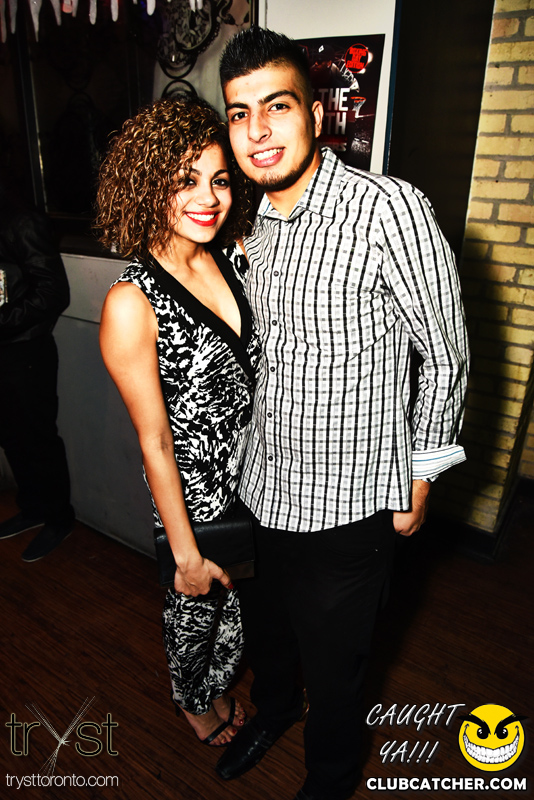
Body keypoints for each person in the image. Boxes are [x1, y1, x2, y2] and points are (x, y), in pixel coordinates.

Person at [214, 27, 469, 800]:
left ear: (316, 114)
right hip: (264, 486)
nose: (257, 130)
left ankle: (328, 777)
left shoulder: (387, 209)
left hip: (351, 502)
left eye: (278, 106)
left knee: (337, 661)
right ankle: (273, 711)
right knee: (271, 634)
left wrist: (421, 476)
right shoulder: (250, 220)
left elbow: (447, 352)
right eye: (239, 113)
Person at [96, 98, 261, 746]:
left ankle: (222, 681)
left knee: (240, 605)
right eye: (186, 180)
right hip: (195, 496)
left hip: (259, 474)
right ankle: (194, 702)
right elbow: (155, 439)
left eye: (220, 179)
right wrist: (185, 551)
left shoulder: (231, 255)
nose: (208, 198)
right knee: (195, 605)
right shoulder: (132, 300)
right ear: (147, 184)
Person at [0, 175, 75, 562]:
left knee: (38, 438)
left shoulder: (21, 220)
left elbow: (53, 292)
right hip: (5, 348)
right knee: (11, 437)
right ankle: (33, 509)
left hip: (26, 351)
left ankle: (59, 520)